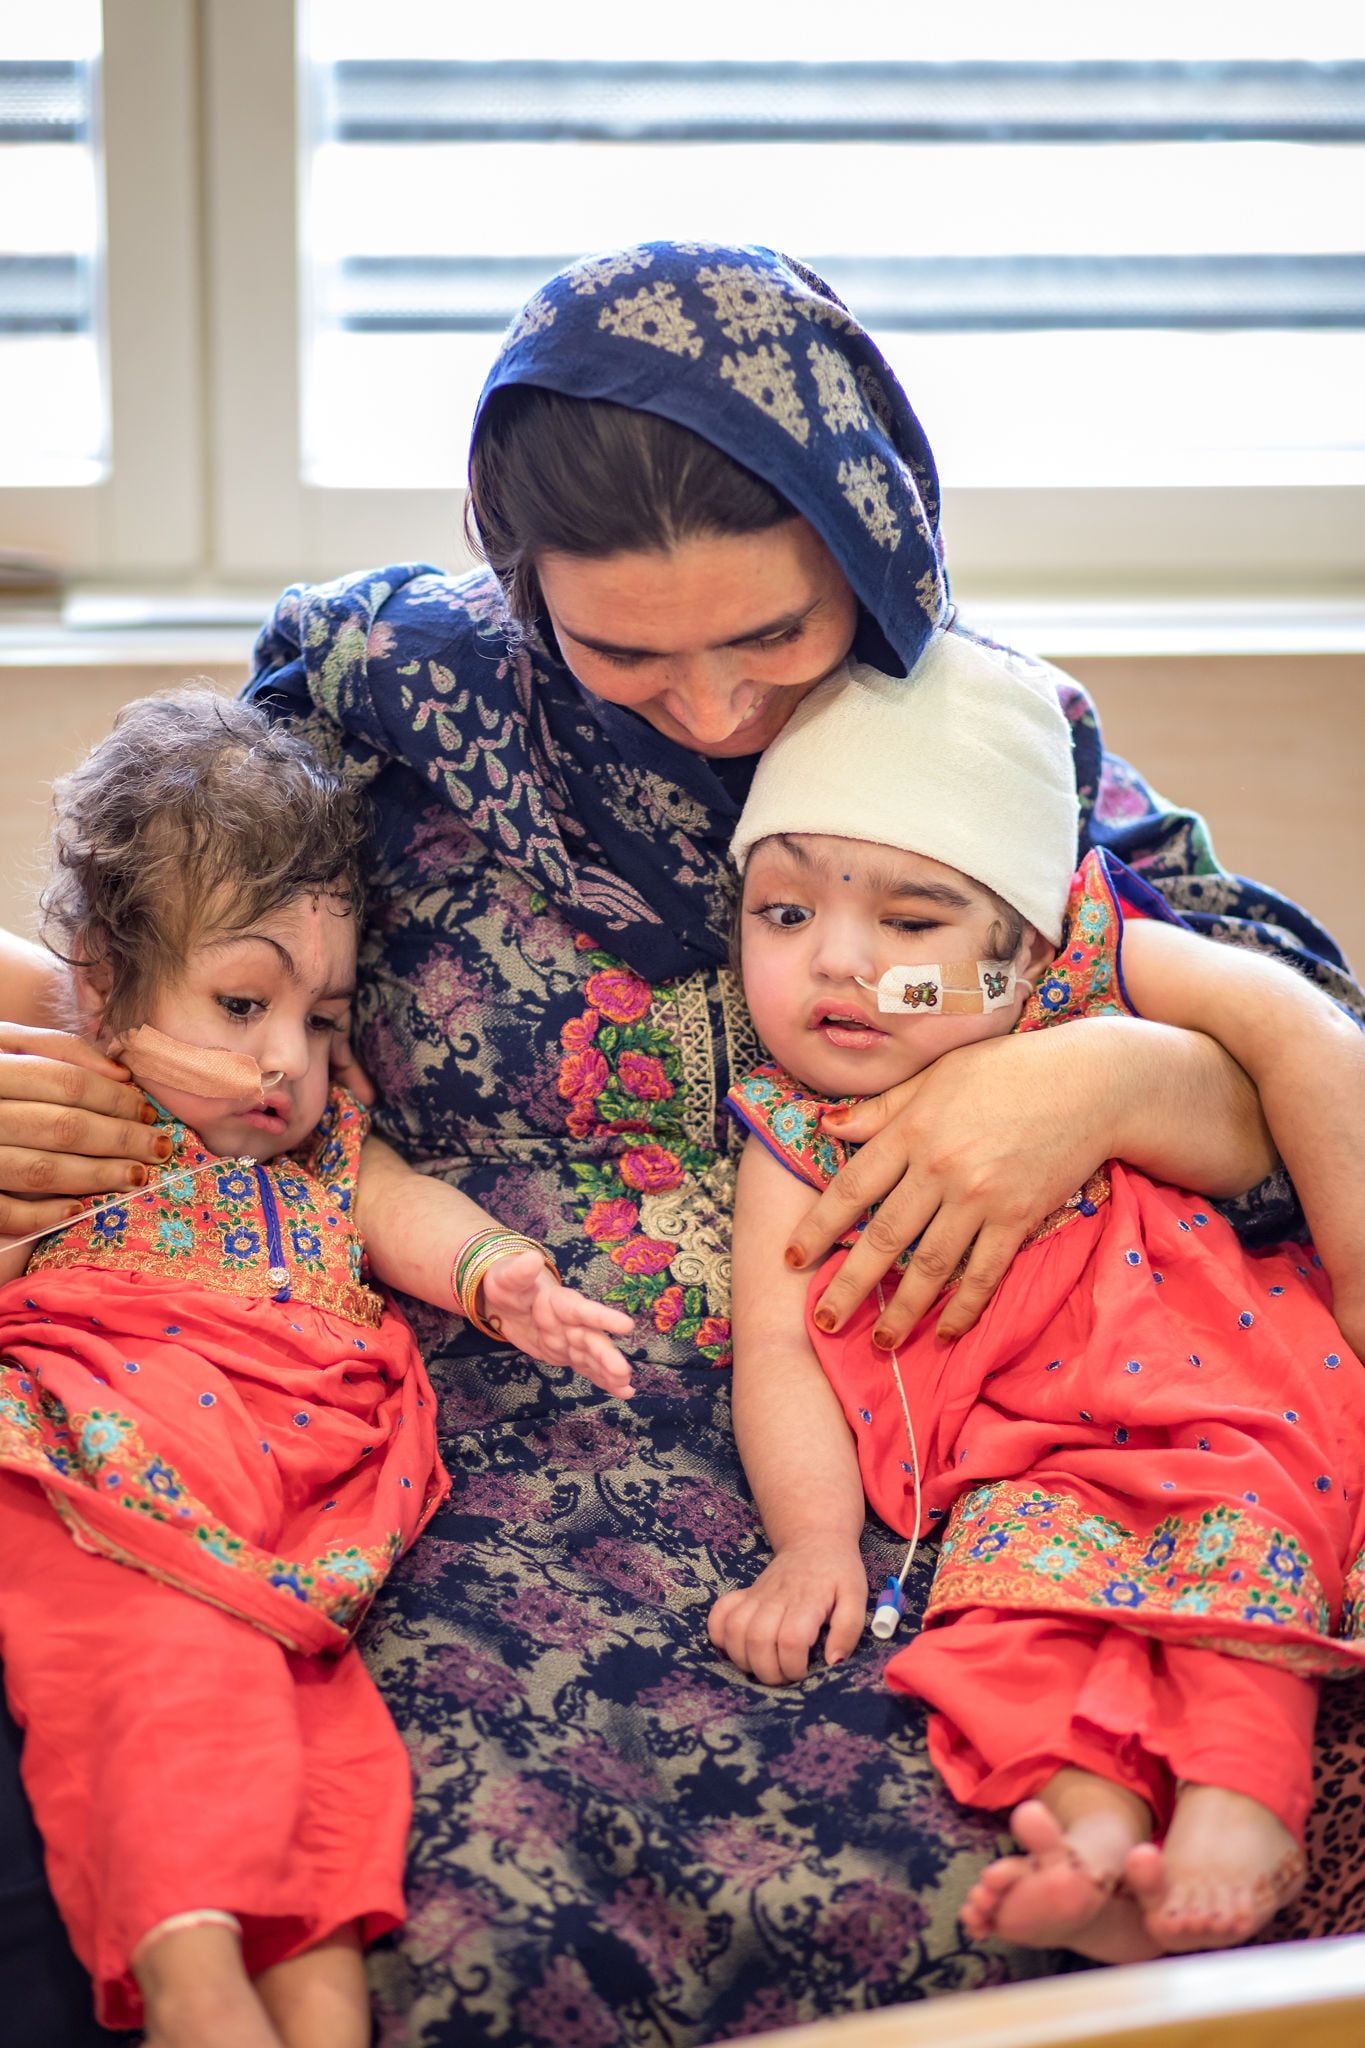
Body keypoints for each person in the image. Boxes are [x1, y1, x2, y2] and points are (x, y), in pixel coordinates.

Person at [0, 243, 1361, 2044]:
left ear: (869, 558)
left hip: (915, 1433)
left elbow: (1286, 1056)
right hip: (463, 1414)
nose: (715, 713)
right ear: (518, 580)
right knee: (438, 1901)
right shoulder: (370, 710)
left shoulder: (975, 739)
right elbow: (152, 950)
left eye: (771, 640)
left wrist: (1104, 1078)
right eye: (625, 650)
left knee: (1009, 1839)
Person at [709, 634, 1365, 1966]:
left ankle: (1240, 1832)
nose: (838, 964)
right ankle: (1088, 1848)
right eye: (783, 916)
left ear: (1022, 938)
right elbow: (773, 1347)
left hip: (1224, 1412)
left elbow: (1297, 1035)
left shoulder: (1085, 976)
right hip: (1022, 1472)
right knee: (997, 1640)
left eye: (908, 925)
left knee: (1233, 1602)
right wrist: (816, 1543)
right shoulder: (787, 1127)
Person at [0, 691, 632, 2048]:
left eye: (323, 1017)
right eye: (240, 1003)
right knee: (169, 1697)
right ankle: (189, 1986)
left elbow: (392, 1202)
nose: (286, 1061)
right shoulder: (73, 1111)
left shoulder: (311, 1134)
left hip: (304, 1537)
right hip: (112, 1493)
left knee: (334, 1779)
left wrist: (496, 1275)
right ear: (106, 983)